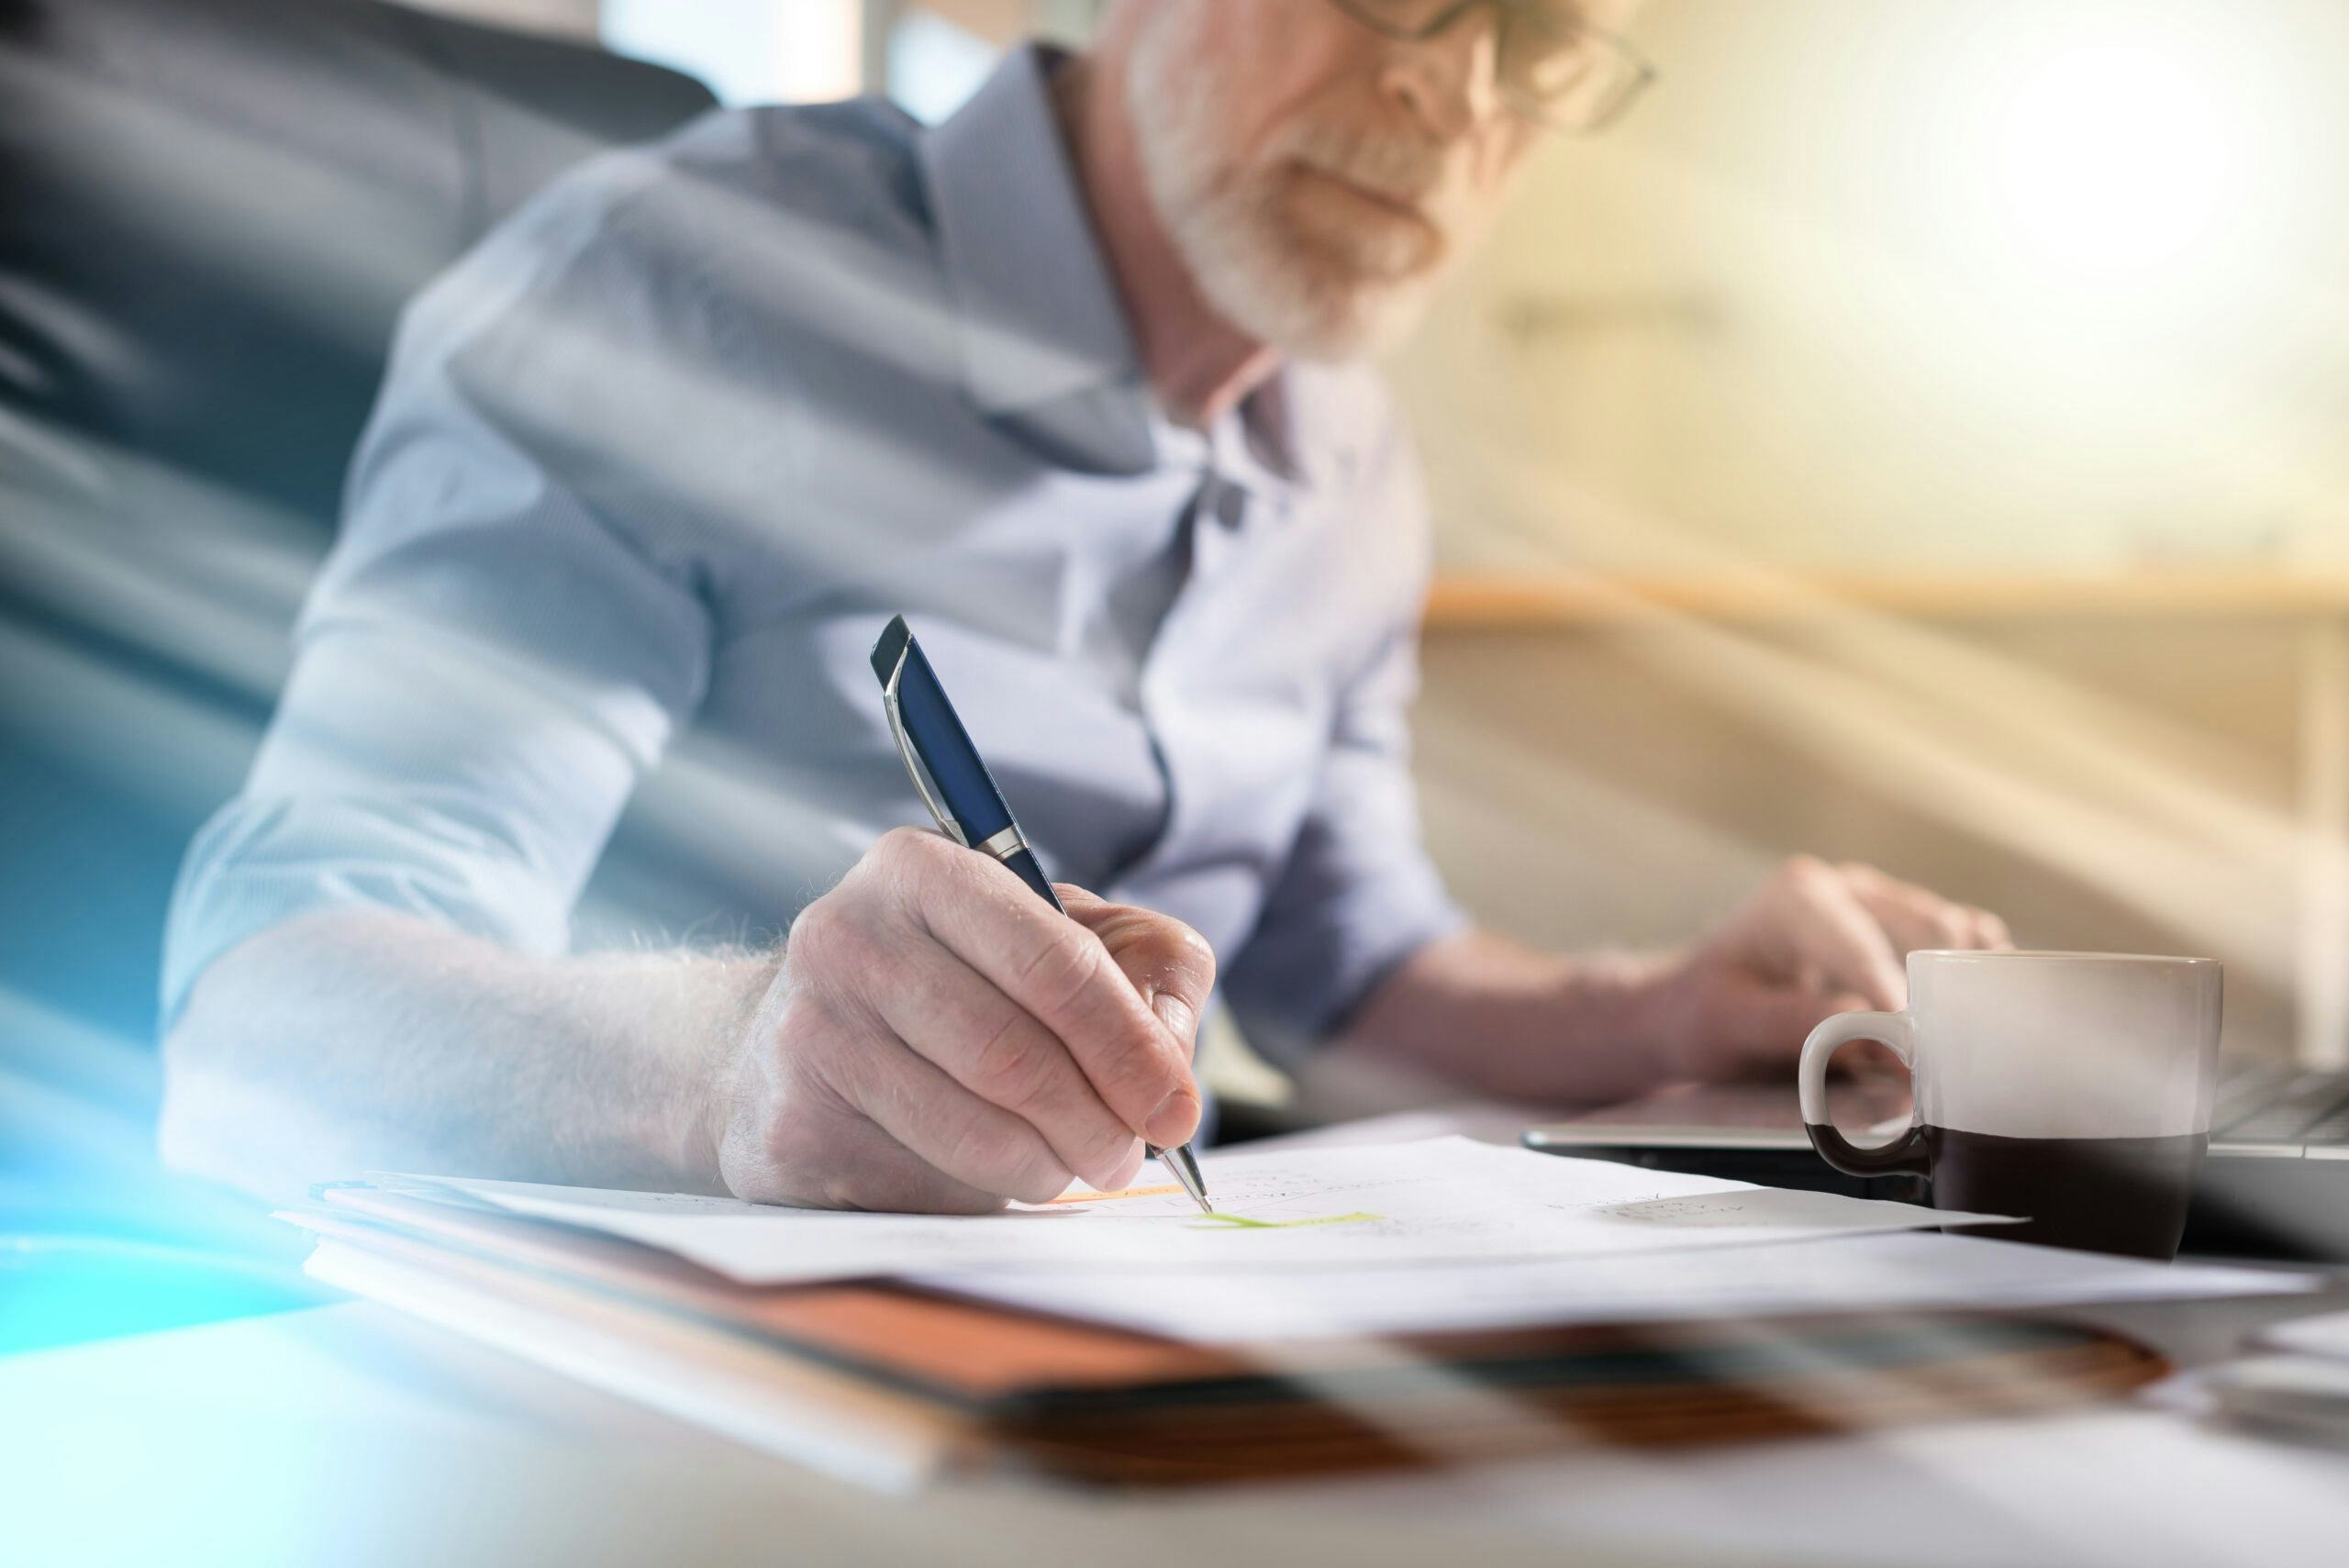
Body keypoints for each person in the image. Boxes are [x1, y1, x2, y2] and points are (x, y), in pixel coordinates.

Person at [160, 0, 2008, 1210]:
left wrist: (1664, 1001)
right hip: (659, 1383)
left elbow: (1353, 973)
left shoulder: (1344, 448)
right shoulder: (673, 289)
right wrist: (735, 1072)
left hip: (1133, 1321)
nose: (1445, 92)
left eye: (1534, 40)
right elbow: (272, 1007)